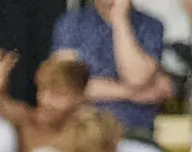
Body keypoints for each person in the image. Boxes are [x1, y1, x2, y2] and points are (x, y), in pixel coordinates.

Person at [49, 0, 170, 134]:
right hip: (85, 128)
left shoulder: (151, 26)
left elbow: (136, 78)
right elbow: (68, 84)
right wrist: (133, 93)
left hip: (135, 129)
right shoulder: (71, 23)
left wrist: (120, 20)